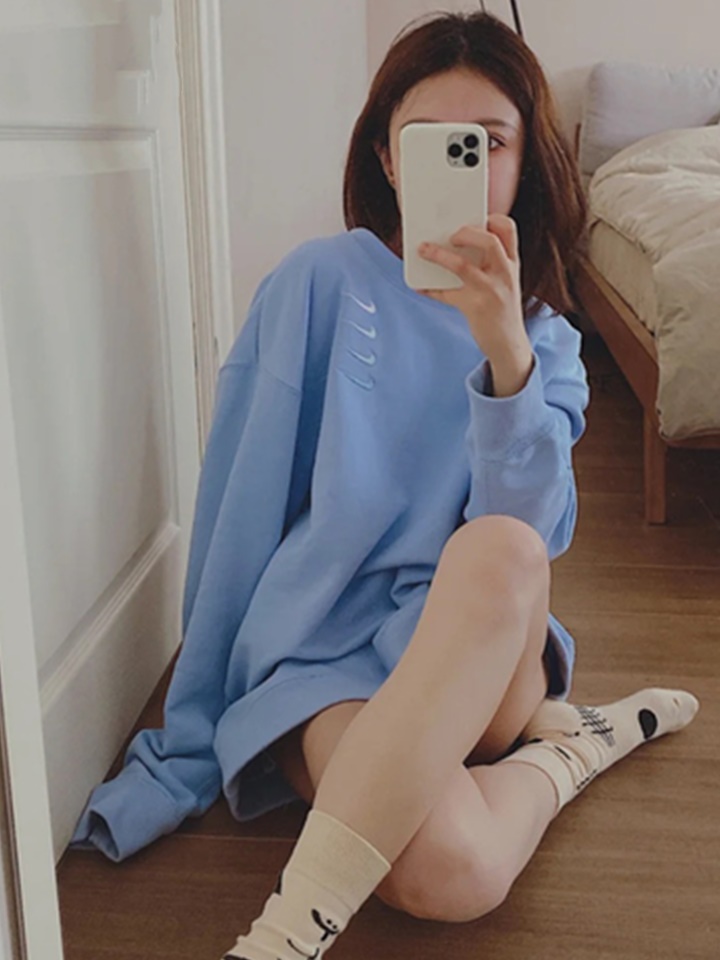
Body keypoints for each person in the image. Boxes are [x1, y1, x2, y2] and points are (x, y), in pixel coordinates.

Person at [69, 11, 700, 958]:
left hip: (484, 661)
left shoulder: (550, 341)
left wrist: (506, 358)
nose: (464, 162)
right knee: (450, 873)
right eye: (432, 140)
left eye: (489, 142)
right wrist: (193, 722)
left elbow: (532, 541)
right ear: (389, 158)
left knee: (501, 546)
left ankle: (283, 936)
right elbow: (240, 508)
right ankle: (571, 752)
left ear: (524, 163)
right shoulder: (316, 284)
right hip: (328, 659)